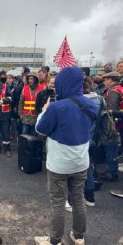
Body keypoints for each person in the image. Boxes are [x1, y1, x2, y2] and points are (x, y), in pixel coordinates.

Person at [34, 67, 97, 245]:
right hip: (81, 162)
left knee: (58, 203)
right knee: (78, 199)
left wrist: (45, 111)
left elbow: (40, 129)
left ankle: (54, 240)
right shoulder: (90, 103)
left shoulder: (55, 107)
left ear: (62, 83)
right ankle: (78, 237)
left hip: (59, 165)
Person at [102, 71, 122, 181]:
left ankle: (112, 172)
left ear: (110, 80)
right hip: (120, 123)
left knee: (111, 148)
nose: (104, 81)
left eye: (105, 79)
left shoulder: (113, 91)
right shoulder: (120, 88)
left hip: (114, 124)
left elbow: (111, 110)